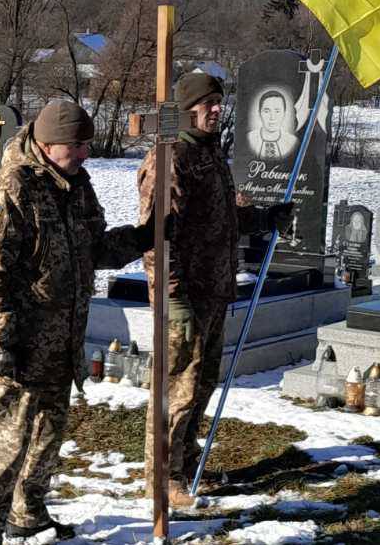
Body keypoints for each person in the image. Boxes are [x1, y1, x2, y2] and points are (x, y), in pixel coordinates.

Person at [0, 100, 157, 545]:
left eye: (87, 144)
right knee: (7, 442)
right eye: (78, 146)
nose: (86, 154)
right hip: (19, 341)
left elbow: (95, 249)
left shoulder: (77, 184)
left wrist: (145, 235)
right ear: (49, 145)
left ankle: (27, 511)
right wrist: (2, 337)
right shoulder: (10, 188)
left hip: (62, 337)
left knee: (49, 433)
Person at [138, 73, 294, 508]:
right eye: (208, 103)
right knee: (176, 391)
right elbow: (156, 236)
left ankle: (186, 466)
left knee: (201, 386)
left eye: (219, 103)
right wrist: (172, 296)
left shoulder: (209, 154)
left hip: (214, 292)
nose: (216, 110)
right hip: (184, 297)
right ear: (188, 108)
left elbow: (221, 220)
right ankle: (161, 478)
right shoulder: (172, 157)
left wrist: (264, 218)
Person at [245, 90, 298, 160]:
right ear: (259, 113)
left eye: (277, 111)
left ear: (284, 113)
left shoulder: (292, 141)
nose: (272, 117)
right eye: (266, 111)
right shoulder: (249, 139)